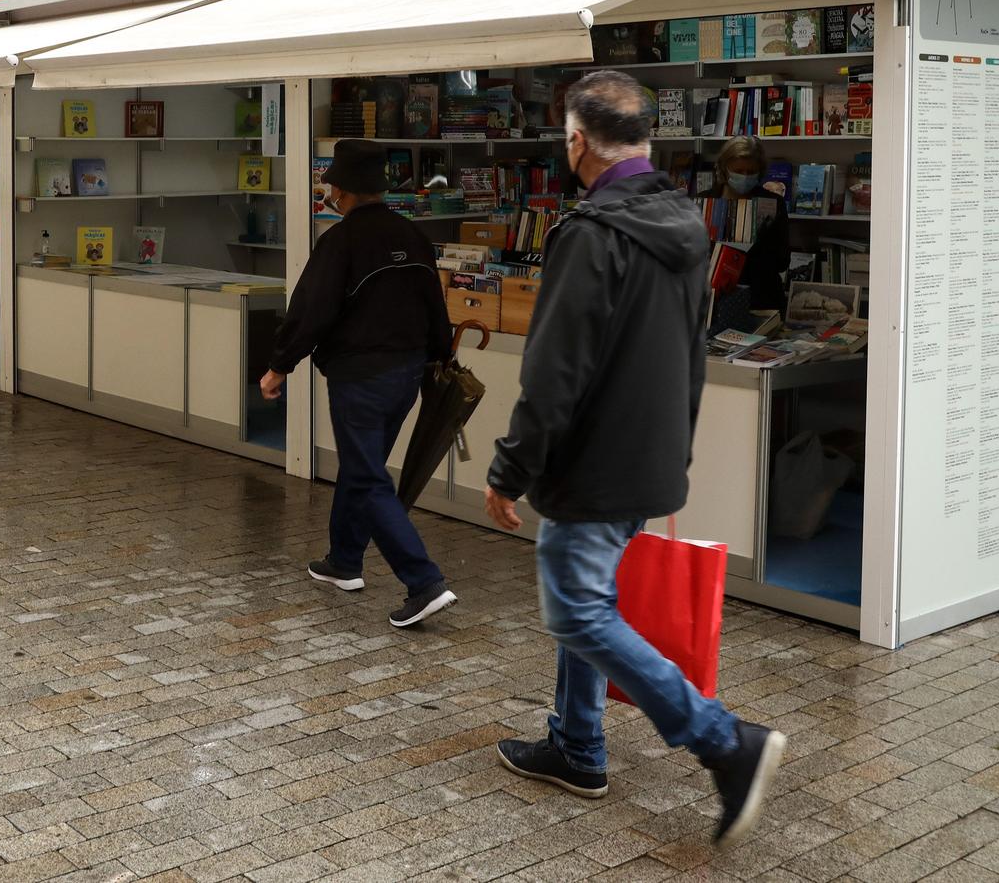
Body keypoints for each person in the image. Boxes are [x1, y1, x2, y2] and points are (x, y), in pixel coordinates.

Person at [483, 70, 784, 848]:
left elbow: (552, 374)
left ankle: (725, 741)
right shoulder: (686, 222)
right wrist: (672, 454)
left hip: (593, 463)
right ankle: (578, 746)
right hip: (645, 456)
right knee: (592, 601)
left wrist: (510, 468)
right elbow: (690, 350)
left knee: (576, 607)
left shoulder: (590, 234)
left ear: (576, 142)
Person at [260, 138, 457, 628]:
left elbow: (310, 310)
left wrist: (279, 365)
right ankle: (344, 561)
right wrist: (437, 359)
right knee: (362, 466)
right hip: (407, 375)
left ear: (341, 191)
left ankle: (423, 581)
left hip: (360, 377)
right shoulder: (413, 236)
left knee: (368, 476)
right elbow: (436, 308)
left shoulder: (341, 241)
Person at [712, 135, 789, 315]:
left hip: (762, 301)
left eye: (751, 172)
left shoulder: (773, 203)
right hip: (715, 302)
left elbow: (782, 261)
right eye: (738, 171)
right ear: (724, 169)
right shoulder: (707, 201)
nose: (745, 177)